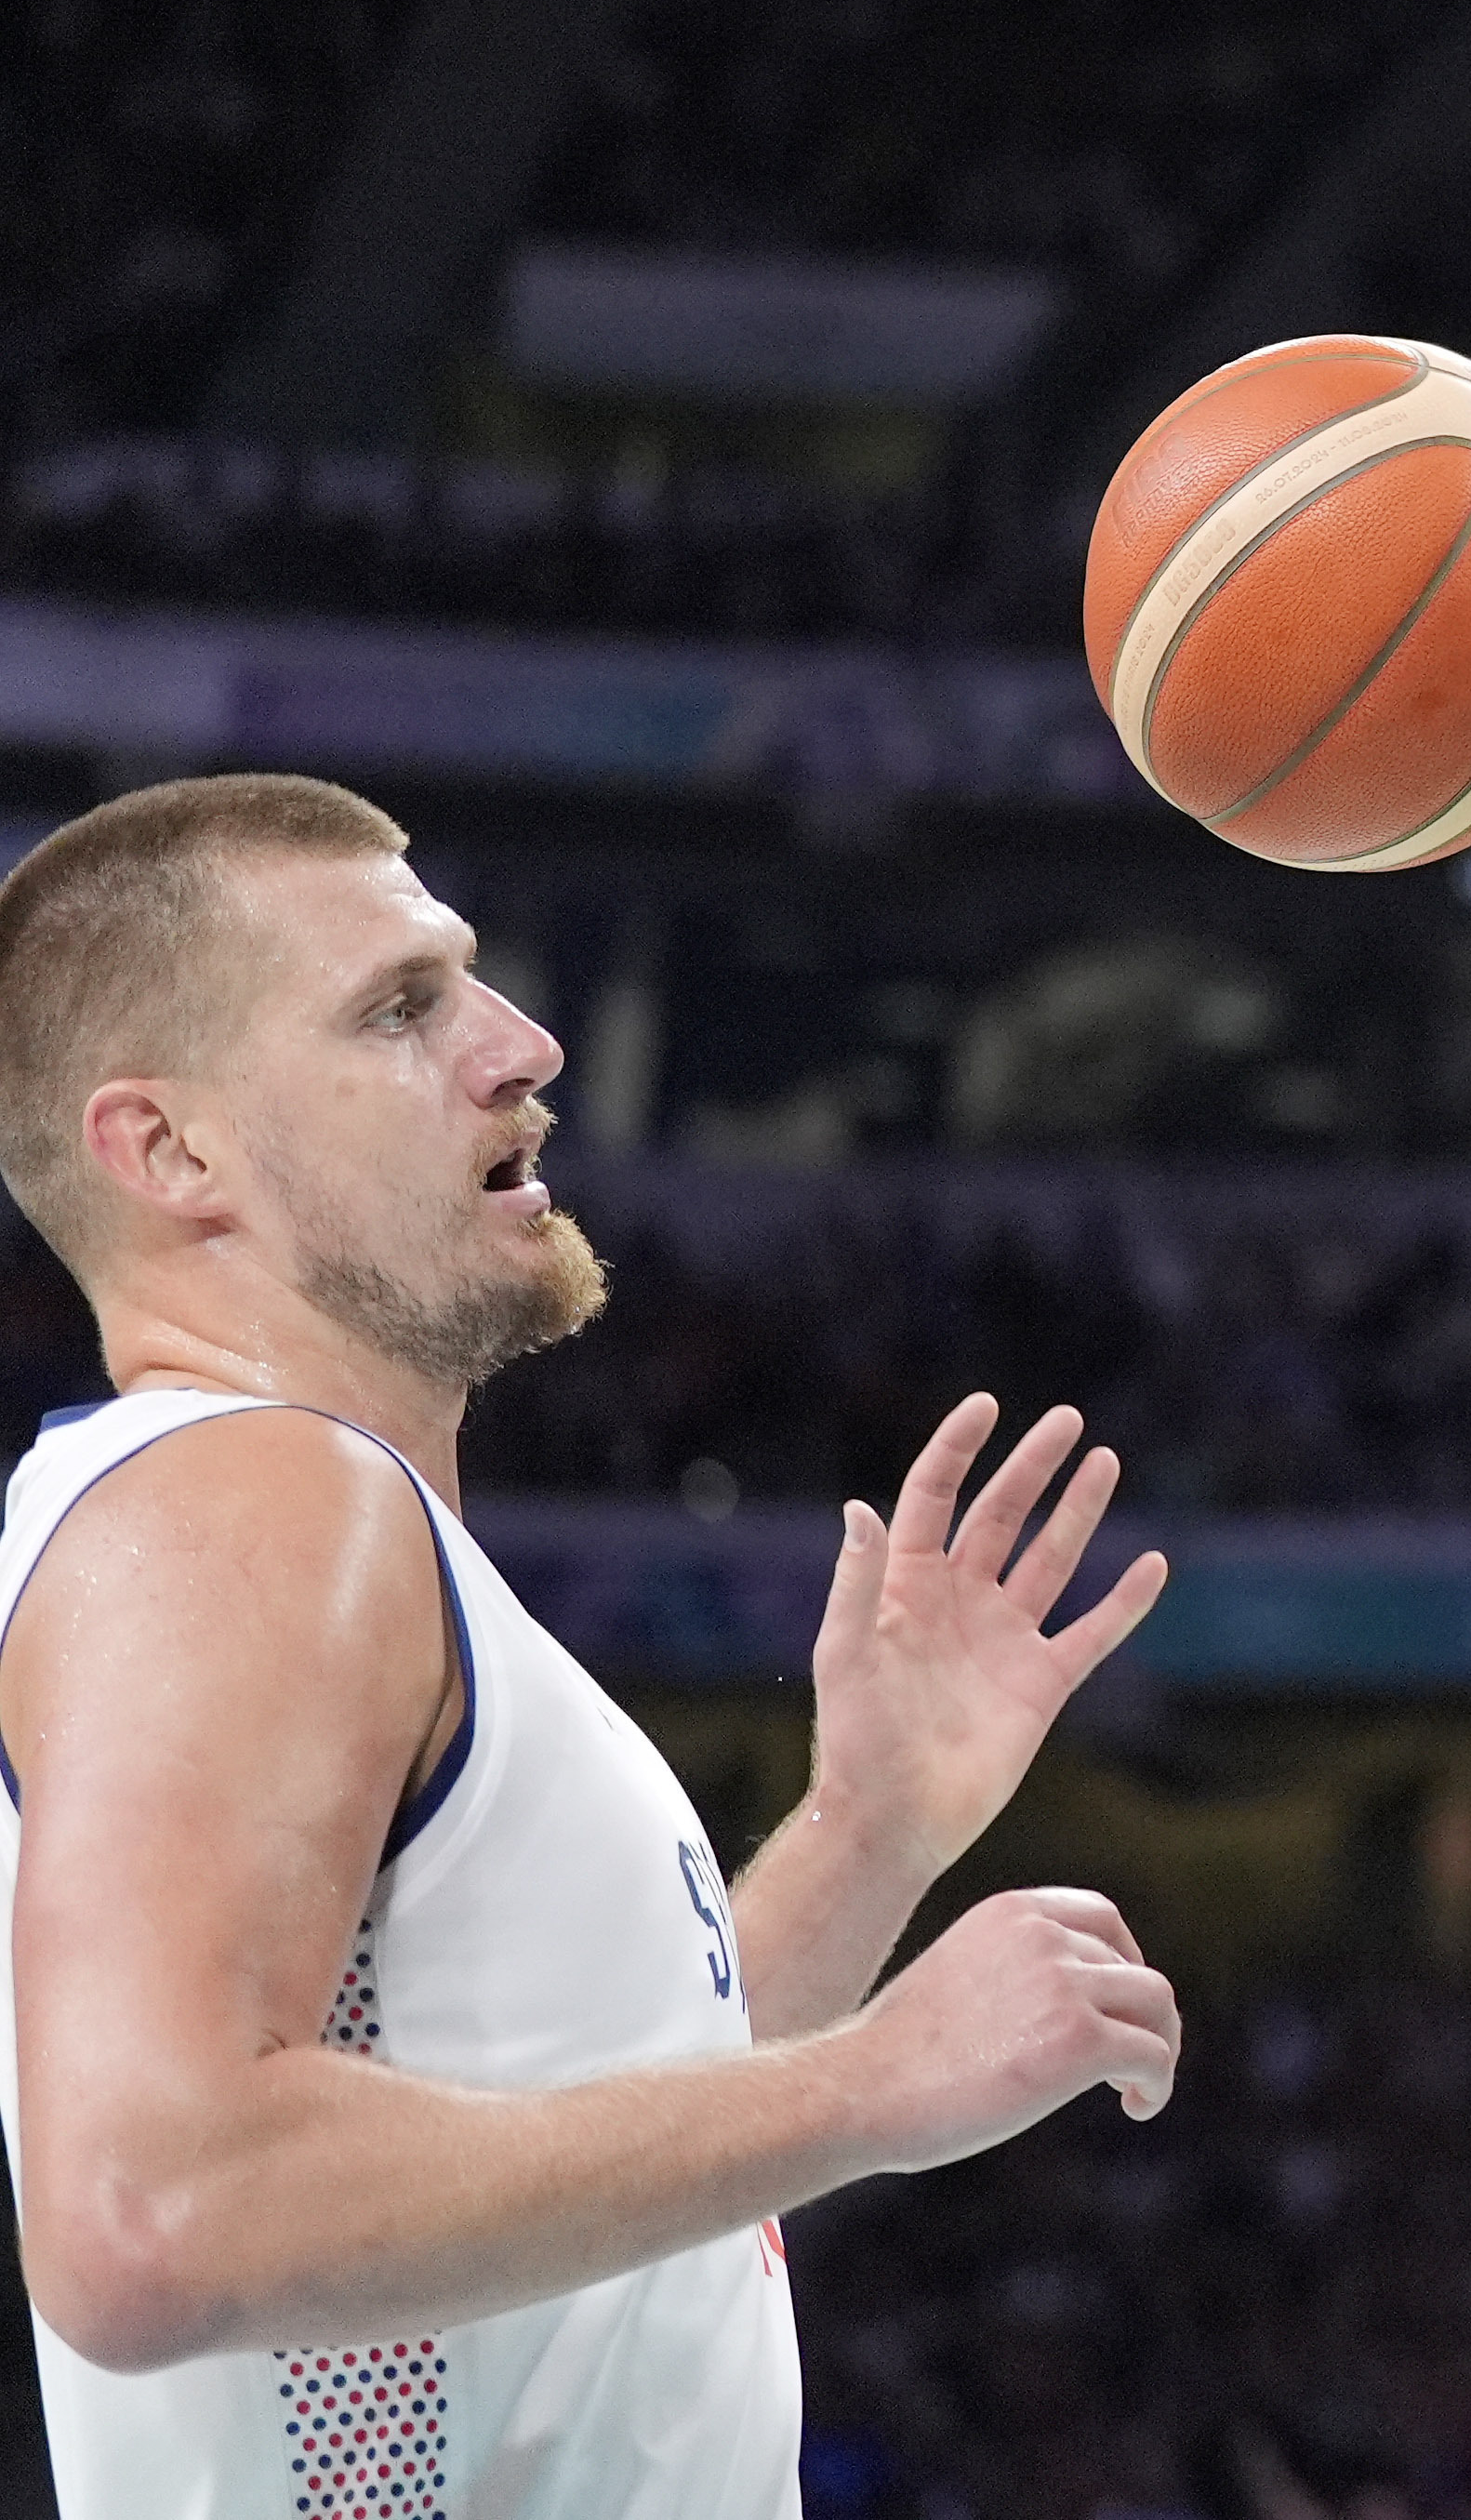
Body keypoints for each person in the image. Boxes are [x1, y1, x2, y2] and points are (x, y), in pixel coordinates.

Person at [0, 774, 1183, 2516]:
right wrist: (867, 2086)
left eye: (469, 978)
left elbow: (564, 2140)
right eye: (402, 1006)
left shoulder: (332, 1534)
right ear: (172, 1151)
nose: (525, 1042)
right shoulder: (248, 1499)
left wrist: (871, 1830)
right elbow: (151, 2210)